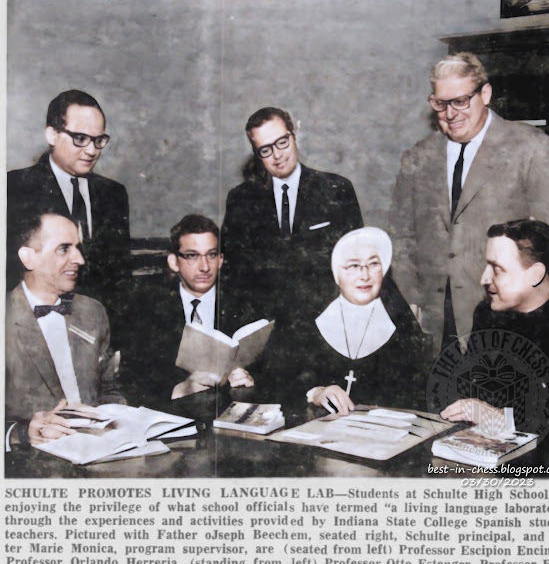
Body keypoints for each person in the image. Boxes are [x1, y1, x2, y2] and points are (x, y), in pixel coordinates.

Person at [388, 52, 549, 351]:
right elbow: (401, 236)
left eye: (461, 101)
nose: (450, 113)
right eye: (440, 103)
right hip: (433, 322)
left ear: (485, 94)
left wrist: (548, 318)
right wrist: (411, 298)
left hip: (509, 321)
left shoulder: (530, 148)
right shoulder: (416, 157)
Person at [220, 107, 364, 337]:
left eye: (282, 142)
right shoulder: (241, 199)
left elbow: (357, 266)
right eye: (265, 150)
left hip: (327, 329)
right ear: (256, 154)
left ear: (294, 135)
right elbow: (232, 278)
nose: (277, 156)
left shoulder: (335, 189)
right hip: (264, 334)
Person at [441, 220, 549, 465]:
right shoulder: (486, 311)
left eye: (496, 268)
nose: (483, 278)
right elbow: (471, 387)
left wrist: (504, 419)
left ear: (535, 275)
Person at [7, 89, 131, 344]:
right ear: (51, 134)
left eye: (99, 140)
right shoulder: (14, 188)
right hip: (31, 337)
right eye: (80, 138)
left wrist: (116, 343)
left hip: (97, 336)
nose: (91, 150)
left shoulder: (113, 194)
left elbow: (120, 278)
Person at [268, 228, 429, 415]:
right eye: (353, 266)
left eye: (374, 264)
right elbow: (277, 381)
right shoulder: (307, 323)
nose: (365, 276)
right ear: (337, 274)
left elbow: (418, 394)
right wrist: (316, 393)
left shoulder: (401, 324)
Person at [5, 212, 126, 451]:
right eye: (64, 249)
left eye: (78, 248)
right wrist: (19, 433)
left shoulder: (92, 311)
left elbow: (110, 388)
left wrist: (117, 420)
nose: (79, 259)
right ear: (29, 258)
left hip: (99, 450)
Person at [122, 214, 253, 410]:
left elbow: (271, 371)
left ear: (221, 260)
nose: (205, 267)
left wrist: (249, 379)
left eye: (212, 255)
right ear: (174, 262)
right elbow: (132, 383)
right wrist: (179, 390)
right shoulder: (147, 309)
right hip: (170, 416)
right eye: (192, 256)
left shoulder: (244, 304)